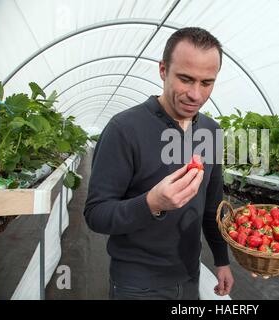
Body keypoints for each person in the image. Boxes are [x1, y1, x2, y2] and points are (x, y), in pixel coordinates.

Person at [84, 27, 234, 300]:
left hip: (190, 277)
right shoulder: (124, 129)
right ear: (163, 70)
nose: (196, 95)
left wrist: (222, 260)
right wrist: (151, 203)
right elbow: (96, 214)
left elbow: (212, 204)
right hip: (137, 283)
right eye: (186, 79)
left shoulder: (211, 132)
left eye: (207, 82)